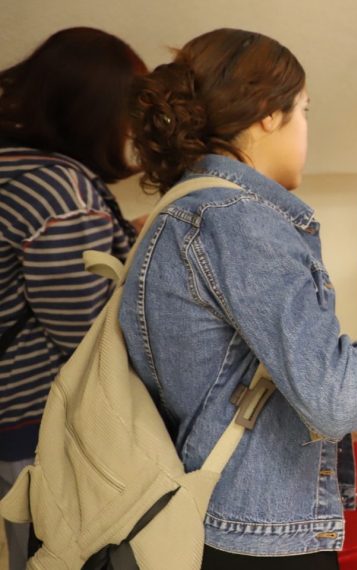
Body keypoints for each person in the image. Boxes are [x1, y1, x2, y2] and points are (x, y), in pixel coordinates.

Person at [125, 28, 357, 568]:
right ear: (267, 115)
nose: (307, 127)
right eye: (303, 110)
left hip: (210, 510)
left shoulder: (184, 208)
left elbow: (228, 381)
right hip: (254, 532)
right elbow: (334, 395)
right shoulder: (240, 222)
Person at [0, 28, 145, 570]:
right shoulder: (62, 195)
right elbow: (85, 335)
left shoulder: (14, 166)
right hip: (36, 427)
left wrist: (118, 236)